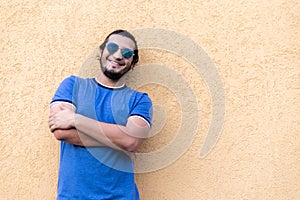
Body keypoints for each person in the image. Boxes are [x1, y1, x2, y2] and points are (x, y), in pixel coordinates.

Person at [48, 29, 153, 200]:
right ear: (101, 51)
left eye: (127, 53)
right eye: (112, 47)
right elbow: (61, 132)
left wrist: (75, 119)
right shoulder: (73, 85)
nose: (118, 55)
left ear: (132, 62)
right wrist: (120, 143)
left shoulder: (139, 100)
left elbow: (131, 140)